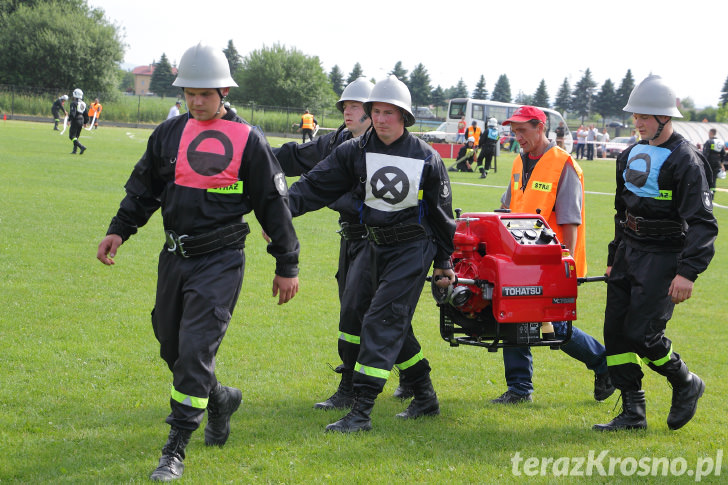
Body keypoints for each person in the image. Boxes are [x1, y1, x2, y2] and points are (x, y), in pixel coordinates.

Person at [95, 43, 300, 481]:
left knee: (194, 350)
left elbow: (272, 202)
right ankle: (221, 398)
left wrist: (287, 264)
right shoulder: (167, 135)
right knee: (170, 344)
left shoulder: (249, 140)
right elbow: (143, 189)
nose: (196, 100)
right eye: (190, 92)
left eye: (205, 93)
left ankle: (175, 447)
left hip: (222, 260)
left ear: (224, 91)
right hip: (174, 256)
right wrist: (119, 229)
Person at [287, 75, 456, 432]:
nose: (381, 119)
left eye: (389, 113)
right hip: (373, 242)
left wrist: (444, 264)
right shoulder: (354, 150)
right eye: (376, 111)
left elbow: (443, 219)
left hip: (413, 247)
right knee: (357, 313)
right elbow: (316, 184)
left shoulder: (427, 159)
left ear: (404, 117)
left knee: (382, 320)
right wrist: (280, 210)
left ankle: (361, 412)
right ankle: (424, 396)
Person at [274, 77, 416, 403]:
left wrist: (328, 196)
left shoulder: (384, 150)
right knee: (369, 312)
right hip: (350, 240)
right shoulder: (338, 141)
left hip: (378, 242)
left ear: (370, 112)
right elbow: (296, 156)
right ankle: (414, 378)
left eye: (354, 106)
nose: (347, 111)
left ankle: (354, 388)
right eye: (345, 106)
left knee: (364, 313)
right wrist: (251, 155)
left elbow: (372, 204)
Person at [594, 75, 718, 432]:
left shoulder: (687, 161)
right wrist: (613, 254)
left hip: (664, 258)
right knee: (615, 333)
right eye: (635, 115)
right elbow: (623, 212)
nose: (638, 122)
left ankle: (684, 381)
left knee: (642, 334)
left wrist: (687, 272)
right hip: (628, 253)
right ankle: (633, 412)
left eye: (645, 116)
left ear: (666, 118)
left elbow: (703, 223)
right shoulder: (630, 153)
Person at [496, 105, 614, 404]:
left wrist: (566, 265)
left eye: (522, 131)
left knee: (556, 328)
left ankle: (603, 364)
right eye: (514, 131)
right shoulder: (518, 163)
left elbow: (569, 220)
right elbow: (506, 209)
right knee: (512, 316)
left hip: (552, 262)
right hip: (519, 259)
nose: (517, 137)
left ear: (540, 127)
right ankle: (520, 388)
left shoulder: (564, 165)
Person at [702, 128, 724, 199]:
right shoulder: (720, 142)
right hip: (717, 163)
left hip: (709, 163)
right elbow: (723, 154)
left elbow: (705, 154)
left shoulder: (709, 142)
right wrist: (721, 163)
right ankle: (712, 195)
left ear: (711, 133)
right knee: (713, 179)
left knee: (706, 178)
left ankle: (706, 194)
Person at [68, 88, 88, 154]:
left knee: (72, 136)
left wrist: (69, 120)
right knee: (76, 136)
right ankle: (75, 150)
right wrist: (85, 122)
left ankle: (81, 147)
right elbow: (86, 114)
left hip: (76, 120)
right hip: (81, 120)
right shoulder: (83, 103)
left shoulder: (74, 103)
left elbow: (72, 113)